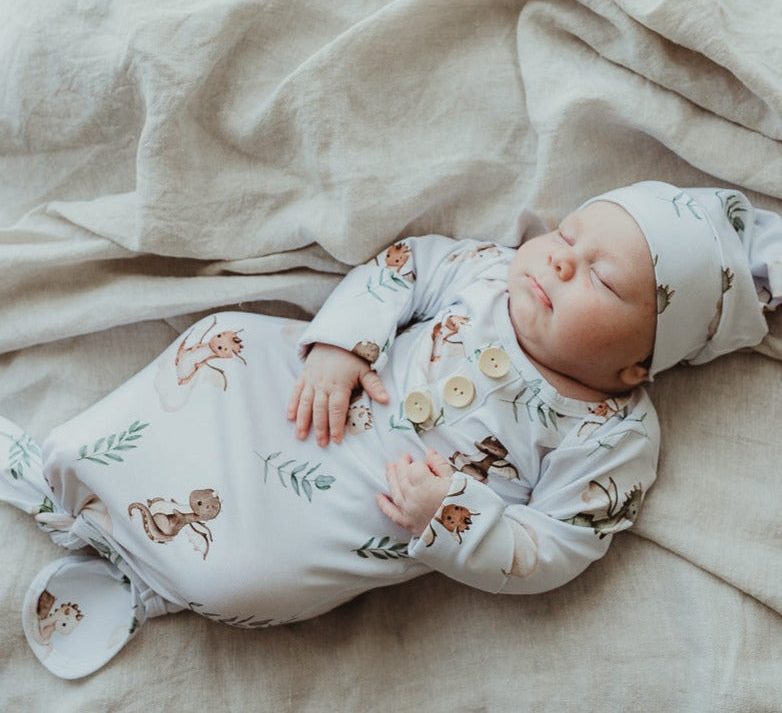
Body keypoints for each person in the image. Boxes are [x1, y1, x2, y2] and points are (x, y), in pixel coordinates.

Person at [0, 180, 779, 679]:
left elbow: (565, 545)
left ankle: (162, 582)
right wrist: (345, 342)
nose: (560, 262)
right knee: (226, 343)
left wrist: (455, 518)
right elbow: (403, 265)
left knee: (264, 569)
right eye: (568, 236)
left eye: (602, 279)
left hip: (369, 505)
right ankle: (70, 467)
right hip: (309, 394)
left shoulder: (616, 437)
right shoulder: (482, 271)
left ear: (637, 365)